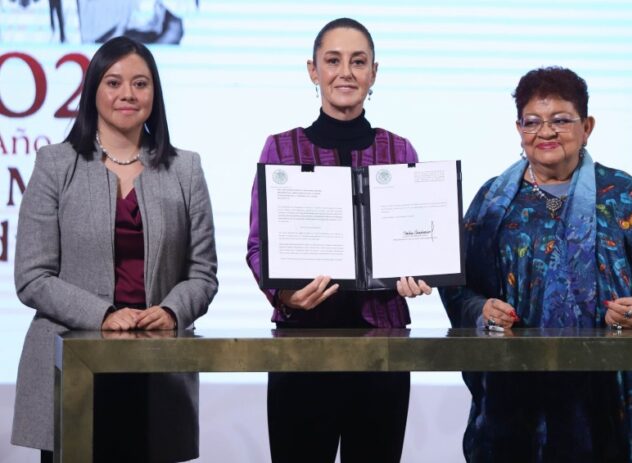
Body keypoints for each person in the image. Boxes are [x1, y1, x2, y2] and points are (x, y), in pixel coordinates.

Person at [439, 66, 632, 462]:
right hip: (512, 390)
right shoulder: (492, 202)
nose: (546, 132)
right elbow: (456, 280)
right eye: (532, 121)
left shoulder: (620, 192)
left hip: (604, 391)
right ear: (518, 129)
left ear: (587, 126)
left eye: (561, 120)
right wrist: (479, 310)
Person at [12, 36, 218, 463]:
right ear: (93, 92)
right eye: (114, 82)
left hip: (157, 369)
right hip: (72, 366)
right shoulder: (55, 164)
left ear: (154, 94)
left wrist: (173, 310)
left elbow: (202, 274)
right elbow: (33, 276)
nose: (128, 94)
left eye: (141, 84)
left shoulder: (186, 169)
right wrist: (104, 315)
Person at [246, 17, 431, 463]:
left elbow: (418, 241)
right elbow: (258, 247)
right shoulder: (280, 149)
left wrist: (421, 272)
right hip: (302, 347)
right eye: (333, 61)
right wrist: (285, 293)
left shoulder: (400, 151)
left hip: (383, 348)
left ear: (373, 73)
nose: (345, 72)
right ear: (313, 70)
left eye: (358, 61)